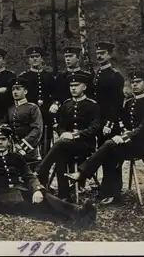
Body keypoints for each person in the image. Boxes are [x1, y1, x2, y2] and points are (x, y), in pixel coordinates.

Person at [65, 71, 144, 205]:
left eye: (138, 82)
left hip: (142, 144)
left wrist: (126, 136)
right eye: (132, 82)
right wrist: (122, 133)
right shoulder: (129, 103)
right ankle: (109, 192)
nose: (134, 85)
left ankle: (85, 176)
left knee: (110, 147)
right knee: (110, 151)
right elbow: (121, 121)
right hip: (128, 143)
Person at [0, 126, 97, 225]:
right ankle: (77, 214)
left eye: (4, 139)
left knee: (44, 195)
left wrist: (36, 189)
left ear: (9, 142)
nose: (0, 142)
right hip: (2, 196)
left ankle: (77, 213)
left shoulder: (16, 157)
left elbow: (28, 175)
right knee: (36, 206)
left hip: (20, 190)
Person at [35, 73, 100, 201]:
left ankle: (41, 170)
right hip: (66, 144)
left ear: (84, 87)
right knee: (60, 154)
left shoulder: (92, 105)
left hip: (85, 145)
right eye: (71, 86)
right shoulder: (66, 104)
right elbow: (60, 126)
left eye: (76, 85)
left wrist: (74, 135)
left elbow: (95, 128)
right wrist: (63, 133)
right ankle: (64, 195)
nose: (73, 88)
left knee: (60, 145)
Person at [19, 46, 56, 157]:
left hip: (46, 113)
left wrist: (55, 103)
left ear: (41, 58)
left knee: (46, 142)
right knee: (30, 140)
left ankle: (45, 165)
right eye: (32, 57)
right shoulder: (24, 77)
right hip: (30, 114)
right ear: (29, 60)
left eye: (37, 56)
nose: (34, 59)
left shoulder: (49, 76)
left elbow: (54, 94)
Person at [0, 77, 43, 161]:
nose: (15, 92)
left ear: (25, 91)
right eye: (13, 90)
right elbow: (2, 123)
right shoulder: (10, 109)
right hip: (13, 147)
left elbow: (37, 129)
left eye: (18, 89)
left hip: (29, 149)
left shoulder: (33, 108)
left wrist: (22, 146)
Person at [92, 42, 125, 143]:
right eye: (97, 53)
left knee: (109, 149)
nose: (99, 56)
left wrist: (109, 123)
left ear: (109, 55)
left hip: (109, 118)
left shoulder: (115, 76)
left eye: (102, 53)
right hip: (97, 117)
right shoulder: (97, 73)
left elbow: (117, 102)